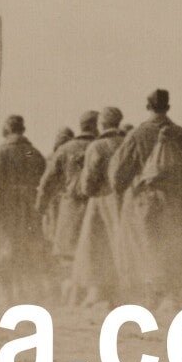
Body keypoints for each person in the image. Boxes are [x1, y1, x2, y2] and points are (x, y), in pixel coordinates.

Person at [109, 88, 182, 307]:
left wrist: (122, 189)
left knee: (147, 246)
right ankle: (173, 295)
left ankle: (153, 297)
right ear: (168, 107)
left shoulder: (137, 134)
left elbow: (118, 174)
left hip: (146, 200)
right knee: (173, 243)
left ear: (147, 106)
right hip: (176, 199)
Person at [0, 115, 50, 302]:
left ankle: (9, 295)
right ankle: (22, 292)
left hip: (5, 207)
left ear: (6, 130)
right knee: (25, 248)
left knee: (1, 247)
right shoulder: (33, 152)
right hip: (30, 208)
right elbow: (41, 173)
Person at [69, 106, 127, 307]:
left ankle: (97, 292)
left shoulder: (98, 146)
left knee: (95, 247)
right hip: (123, 201)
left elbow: (87, 184)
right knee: (120, 243)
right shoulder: (127, 142)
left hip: (101, 201)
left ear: (102, 124)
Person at [37, 110, 98, 283]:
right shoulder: (100, 146)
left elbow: (47, 182)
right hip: (95, 204)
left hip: (70, 206)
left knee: (68, 253)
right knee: (93, 249)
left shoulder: (65, 149)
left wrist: (40, 206)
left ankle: (68, 291)